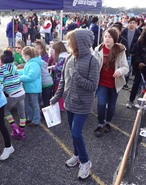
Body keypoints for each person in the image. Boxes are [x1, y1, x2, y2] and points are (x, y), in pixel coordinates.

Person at [50, 29, 99, 179]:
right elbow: (64, 82)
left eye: (71, 40)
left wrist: (76, 76)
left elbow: (93, 86)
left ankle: (85, 162)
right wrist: (56, 97)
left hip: (83, 104)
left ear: (80, 42)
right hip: (69, 102)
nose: (68, 43)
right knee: (73, 132)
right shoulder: (69, 58)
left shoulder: (92, 61)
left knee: (76, 133)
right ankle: (77, 155)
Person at [93, 29, 129, 137]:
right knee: (101, 104)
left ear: (115, 39)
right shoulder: (98, 49)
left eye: (109, 37)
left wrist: (119, 71)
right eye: (105, 36)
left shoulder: (120, 50)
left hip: (114, 83)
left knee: (112, 105)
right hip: (101, 82)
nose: (107, 39)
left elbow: (126, 67)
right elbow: (94, 64)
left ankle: (108, 123)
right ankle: (100, 124)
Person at [0, 48, 26, 139]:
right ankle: (21, 132)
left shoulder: (2, 69)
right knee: (21, 112)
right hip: (21, 92)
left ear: (2, 60)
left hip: (13, 94)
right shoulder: (14, 66)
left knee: (6, 110)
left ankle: (15, 129)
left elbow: (0, 82)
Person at [19, 46, 42, 126]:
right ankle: (30, 118)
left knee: (35, 105)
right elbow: (25, 73)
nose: (22, 57)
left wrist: (19, 78)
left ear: (27, 56)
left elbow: (31, 77)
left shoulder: (34, 64)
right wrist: (15, 73)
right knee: (26, 104)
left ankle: (36, 121)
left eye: (23, 55)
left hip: (33, 88)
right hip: (29, 87)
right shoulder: (30, 63)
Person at [126, 29, 146, 108]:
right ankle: (131, 101)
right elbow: (134, 53)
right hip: (141, 67)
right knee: (136, 84)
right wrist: (139, 62)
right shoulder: (140, 42)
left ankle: (143, 102)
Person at [121, 17, 141, 90]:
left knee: (129, 69)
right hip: (124, 52)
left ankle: (125, 83)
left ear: (136, 24)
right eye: (130, 23)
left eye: (133, 23)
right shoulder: (124, 31)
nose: (132, 24)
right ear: (128, 23)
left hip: (133, 53)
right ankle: (123, 83)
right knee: (124, 67)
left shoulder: (138, 32)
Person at [35, 42, 54, 108]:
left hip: (45, 83)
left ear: (42, 49)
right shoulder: (41, 60)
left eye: (38, 49)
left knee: (46, 101)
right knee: (48, 100)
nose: (36, 50)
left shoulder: (41, 60)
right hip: (49, 81)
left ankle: (46, 116)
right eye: (36, 49)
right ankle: (49, 114)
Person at [52, 41, 68, 111]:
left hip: (59, 78)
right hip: (64, 77)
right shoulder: (66, 55)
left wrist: (52, 67)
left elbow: (60, 68)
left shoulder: (62, 57)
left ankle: (61, 106)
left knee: (58, 92)